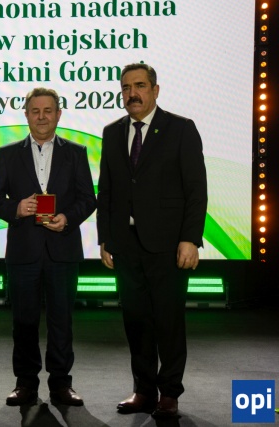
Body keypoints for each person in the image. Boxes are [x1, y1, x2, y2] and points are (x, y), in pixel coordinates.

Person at [96, 63, 208, 418]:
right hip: (125, 244)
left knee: (168, 322)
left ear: (155, 90)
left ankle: (169, 393)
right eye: (126, 87)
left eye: (140, 86)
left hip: (168, 245)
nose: (133, 93)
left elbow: (196, 189)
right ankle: (143, 390)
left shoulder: (181, 129)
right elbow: (107, 190)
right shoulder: (112, 132)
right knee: (136, 321)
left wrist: (190, 239)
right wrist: (105, 238)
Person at [0, 88, 96, 407]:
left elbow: (87, 199)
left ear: (58, 114)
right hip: (23, 251)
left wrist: (67, 218)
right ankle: (25, 383)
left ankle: (61, 384)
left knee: (62, 321)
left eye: (48, 110)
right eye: (35, 111)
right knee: (23, 321)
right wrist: (16, 208)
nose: (41, 116)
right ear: (26, 115)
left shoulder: (76, 153)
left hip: (63, 250)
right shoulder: (8, 153)